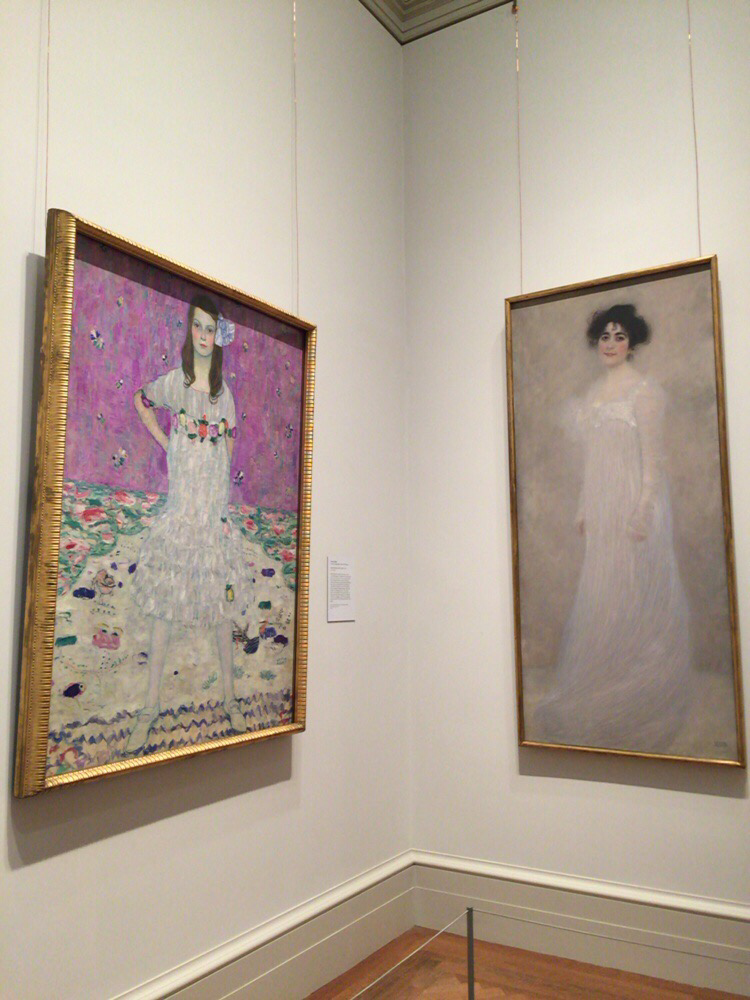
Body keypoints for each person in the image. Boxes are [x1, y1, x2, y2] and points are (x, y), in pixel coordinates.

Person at [532, 304, 691, 752]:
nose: (611, 344)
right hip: (602, 510)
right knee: (602, 593)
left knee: (631, 592)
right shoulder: (594, 396)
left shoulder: (644, 392)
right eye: (605, 336)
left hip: (631, 508)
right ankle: (600, 681)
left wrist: (643, 509)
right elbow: (592, 462)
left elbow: (652, 460)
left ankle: (633, 689)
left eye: (620, 336)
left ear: (632, 342)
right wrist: (585, 506)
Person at [126, 293, 257, 753]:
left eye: (210, 329)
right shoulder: (174, 384)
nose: (203, 335)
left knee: (221, 610)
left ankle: (229, 699)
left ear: (218, 337)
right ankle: (149, 707)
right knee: (166, 607)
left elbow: (228, 452)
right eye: (197, 326)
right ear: (190, 330)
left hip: (211, 514)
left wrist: (219, 506)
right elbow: (140, 400)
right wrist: (167, 443)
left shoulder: (225, 397)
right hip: (181, 514)